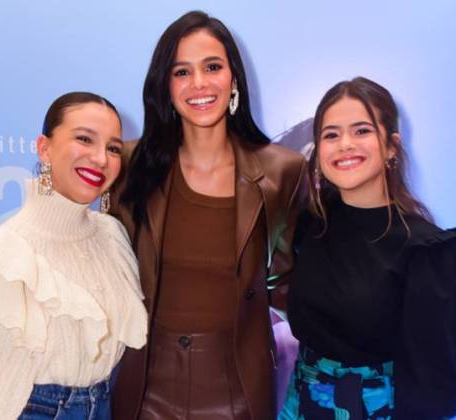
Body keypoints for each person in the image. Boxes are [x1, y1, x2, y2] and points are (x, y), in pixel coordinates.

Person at [108, 11, 307, 420]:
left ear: (234, 80)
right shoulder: (128, 164)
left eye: (212, 67)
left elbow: (289, 283)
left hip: (238, 384)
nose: (199, 83)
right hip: (144, 382)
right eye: (182, 71)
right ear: (165, 86)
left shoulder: (282, 172)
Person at [0, 92, 148, 420]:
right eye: (84, 139)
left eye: (113, 148)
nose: (101, 158)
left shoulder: (112, 237)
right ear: (44, 148)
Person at [279, 77, 456, 419]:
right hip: (298, 406)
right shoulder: (311, 224)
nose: (345, 145)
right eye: (331, 135)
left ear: (391, 146)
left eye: (361, 131)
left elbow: (439, 388)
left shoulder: (426, 250)